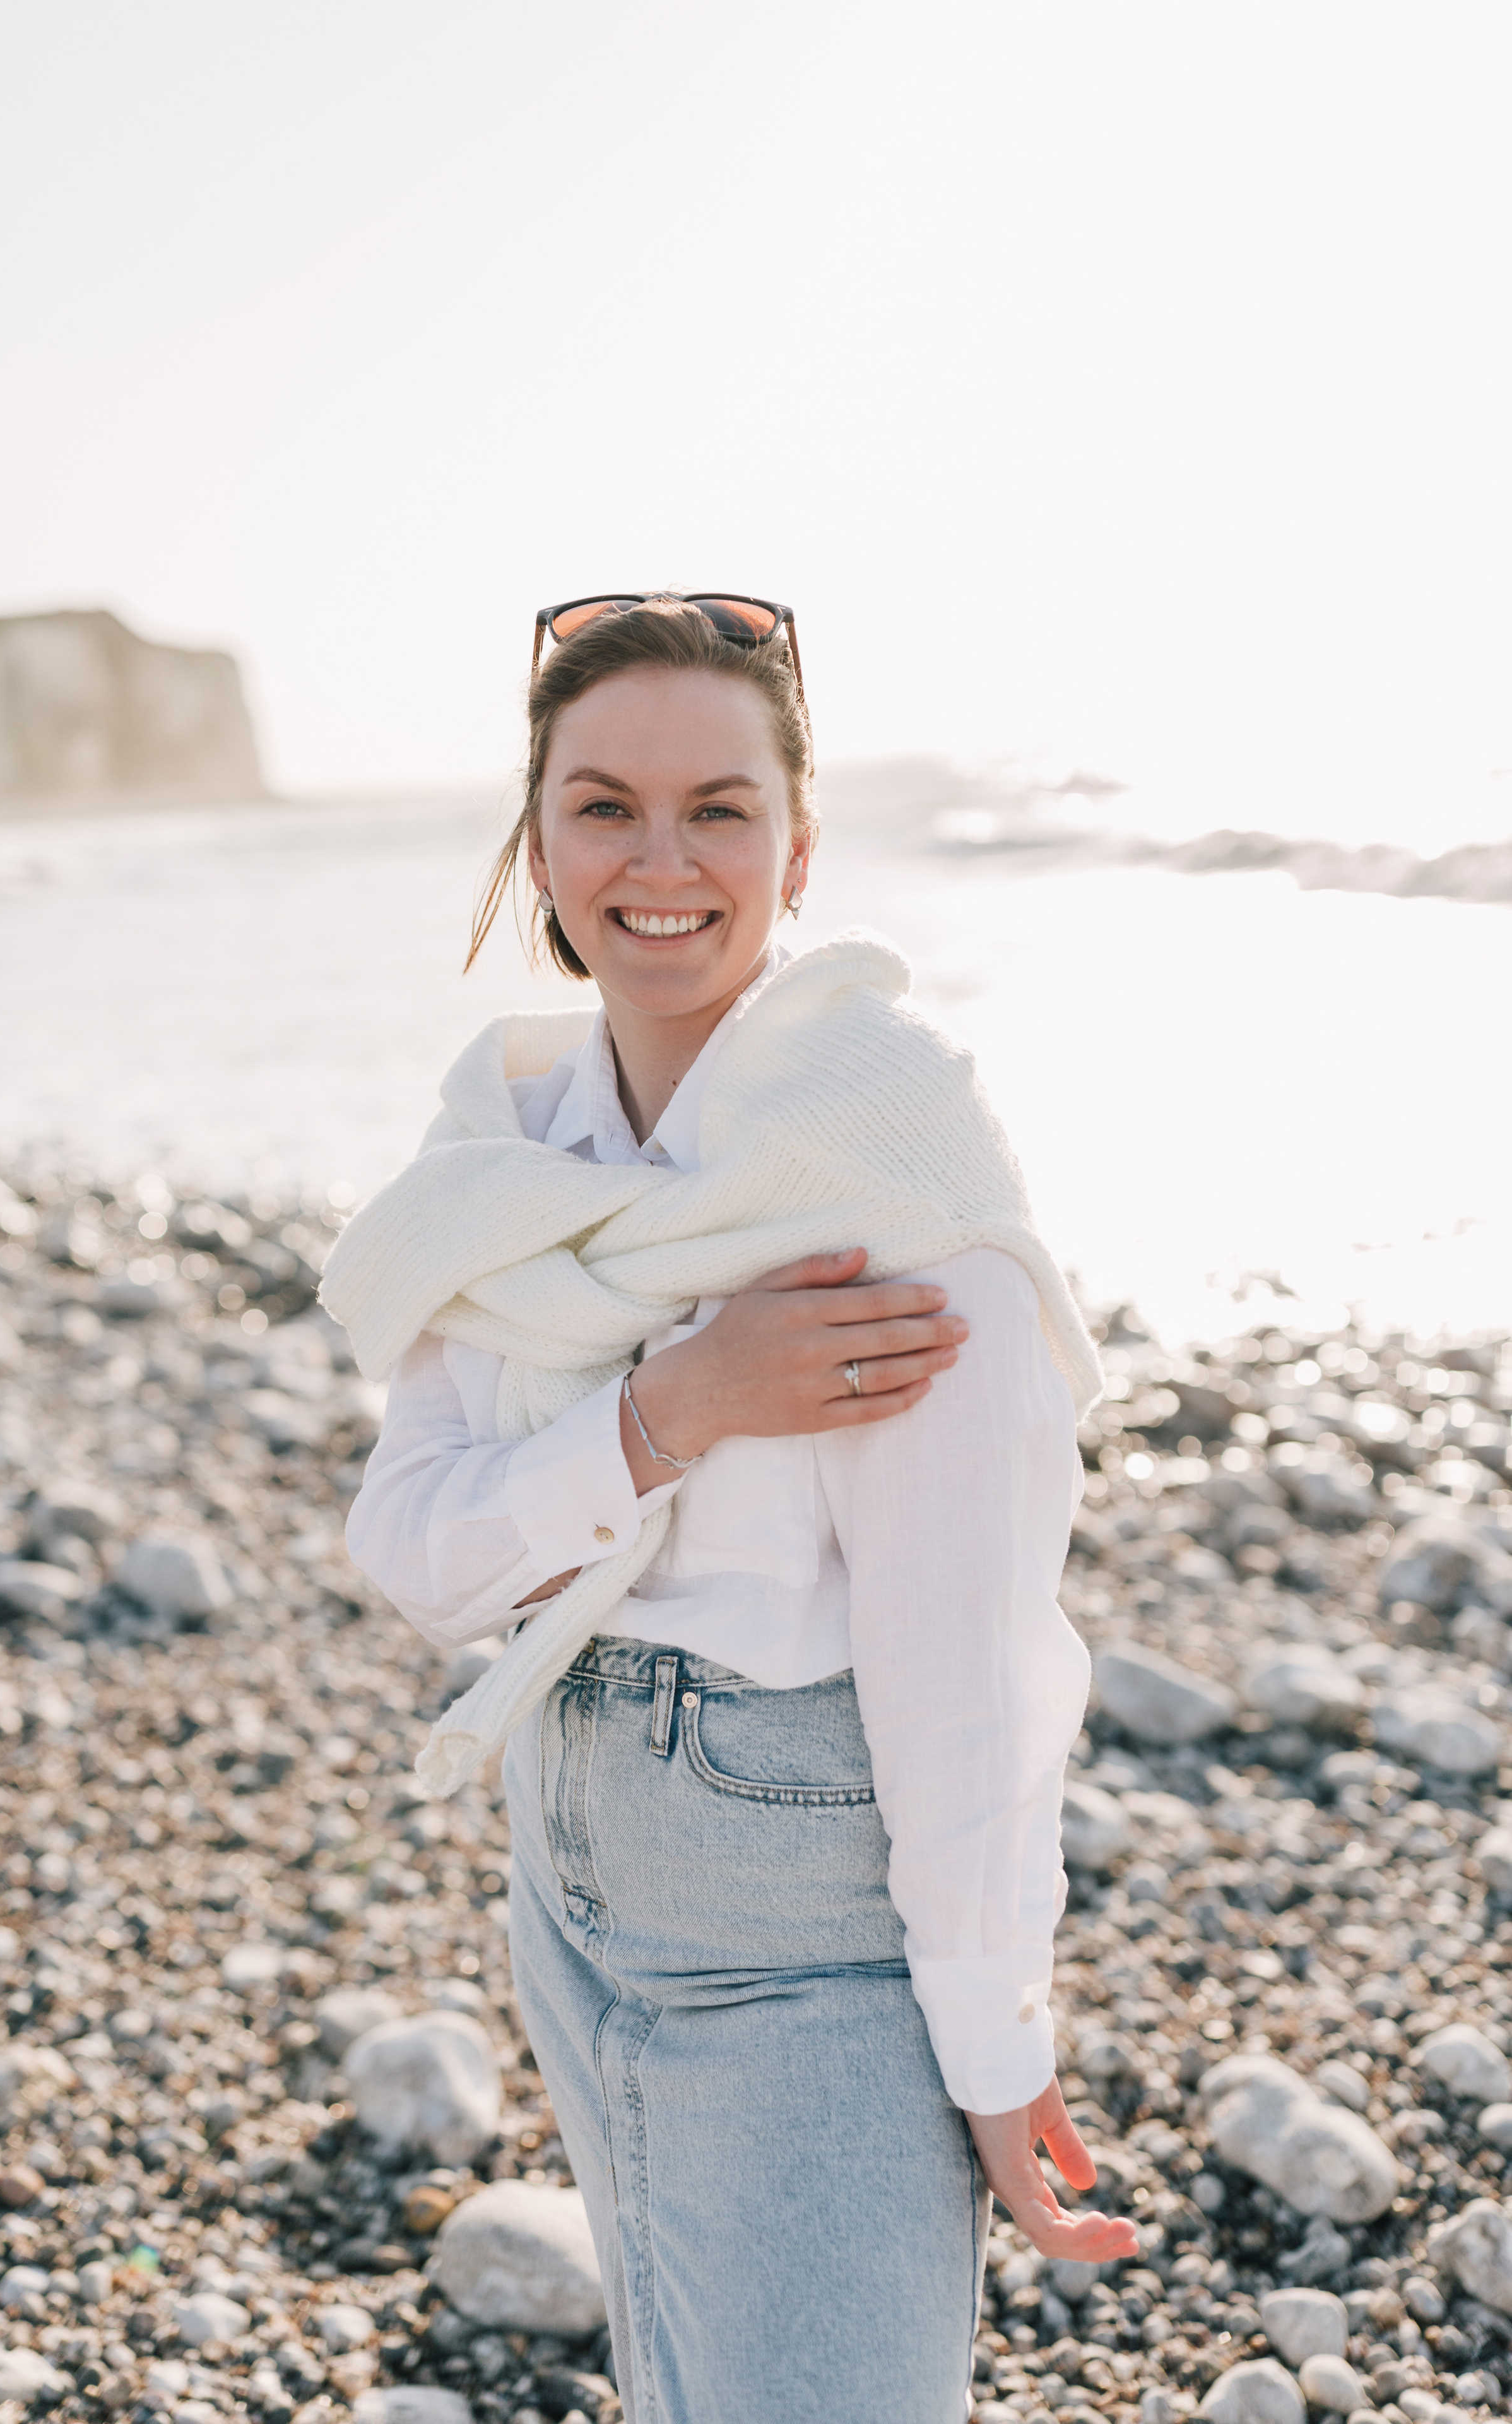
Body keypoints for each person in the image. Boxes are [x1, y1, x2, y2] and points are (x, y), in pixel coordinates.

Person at [328, 595, 1137, 2424]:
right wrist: (668, 1410)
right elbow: (418, 1552)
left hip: (810, 1924)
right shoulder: (504, 1157)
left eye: (721, 808)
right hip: (569, 1871)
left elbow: (972, 1664)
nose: (662, 861)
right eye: (604, 805)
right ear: (535, 838)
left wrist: (998, 2049)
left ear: (799, 842)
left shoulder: (887, 1176)